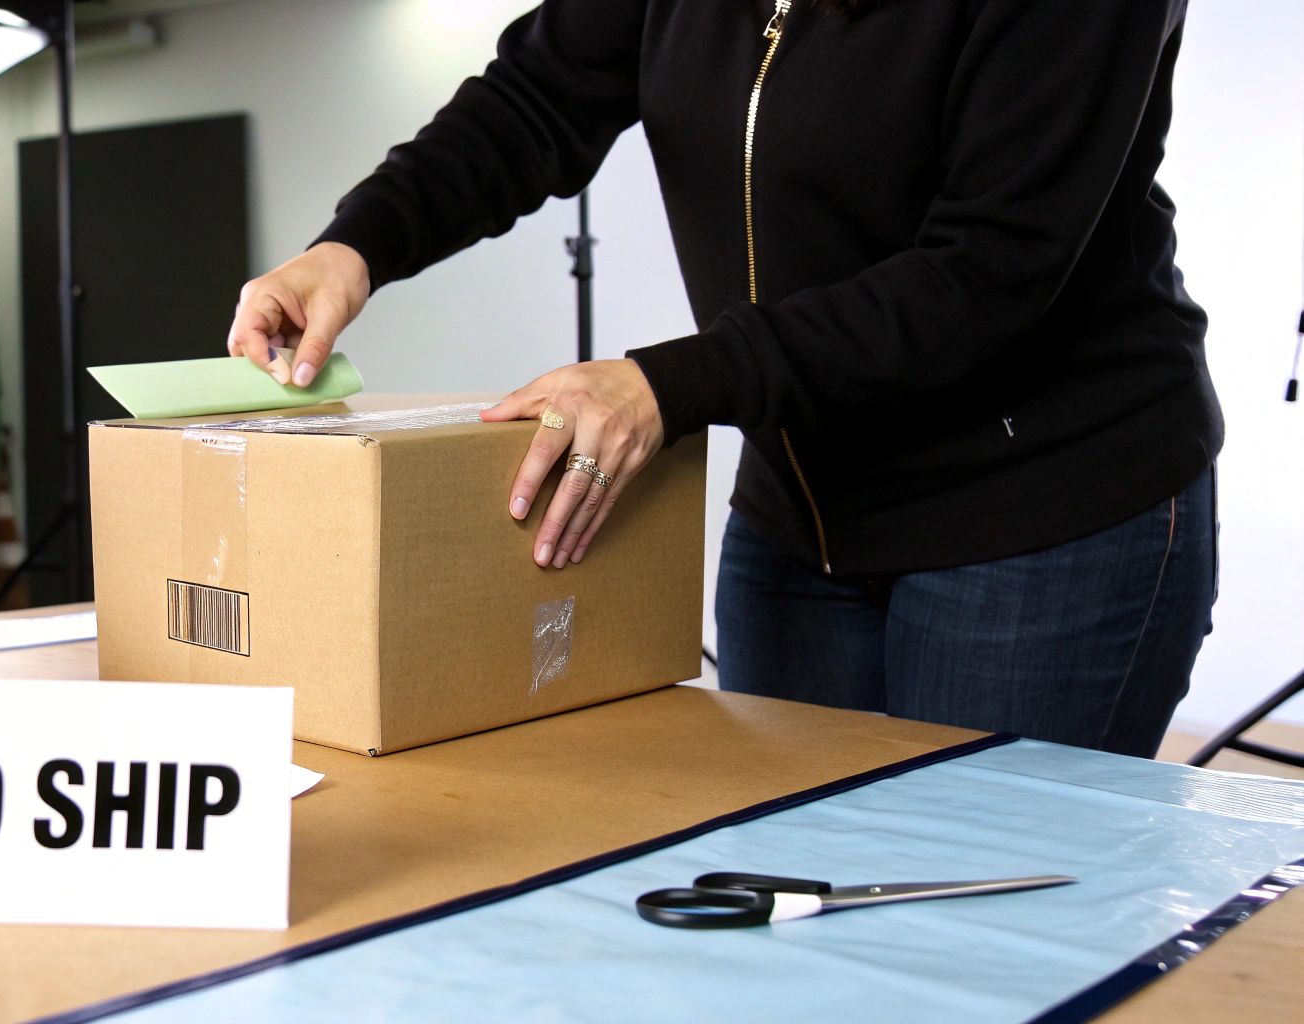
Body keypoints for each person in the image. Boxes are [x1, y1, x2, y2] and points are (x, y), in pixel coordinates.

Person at [222, 0, 1220, 758]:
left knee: (977, 925)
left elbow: (986, 271)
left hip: (1042, 513)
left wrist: (672, 384)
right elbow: (532, 100)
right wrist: (355, 245)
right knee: (789, 887)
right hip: (800, 517)